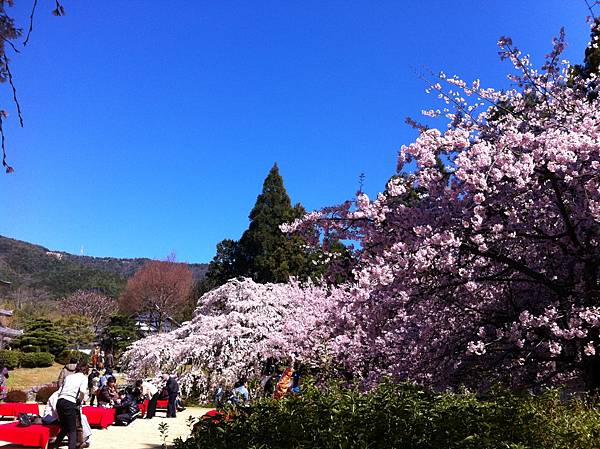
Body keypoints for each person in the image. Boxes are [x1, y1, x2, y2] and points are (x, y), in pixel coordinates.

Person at [54, 361, 89, 449]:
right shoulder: (83, 378)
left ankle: (55, 445)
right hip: (70, 402)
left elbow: (61, 390)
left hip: (60, 401)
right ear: (85, 370)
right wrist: (79, 401)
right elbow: (82, 392)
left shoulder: (69, 377)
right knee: (72, 430)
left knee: (64, 427)